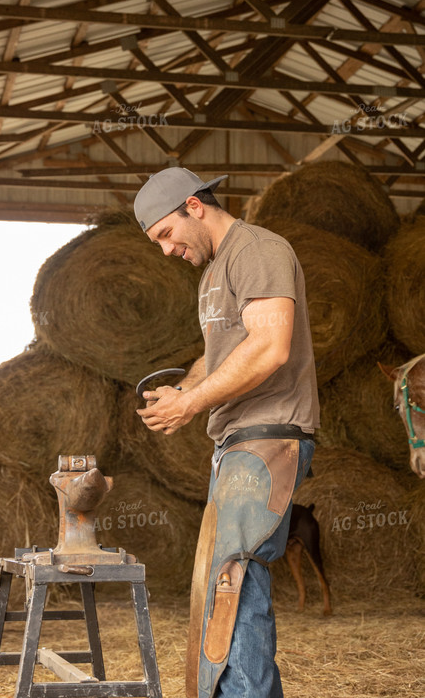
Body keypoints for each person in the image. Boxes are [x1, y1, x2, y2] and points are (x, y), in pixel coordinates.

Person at [134, 167, 319, 698]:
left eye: (166, 235)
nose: (166, 250)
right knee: (224, 588)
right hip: (236, 442)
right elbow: (222, 352)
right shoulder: (215, 272)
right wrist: (185, 384)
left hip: (266, 438)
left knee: (232, 586)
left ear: (194, 206)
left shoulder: (256, 249)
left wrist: (191, 404)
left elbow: (269, 345)